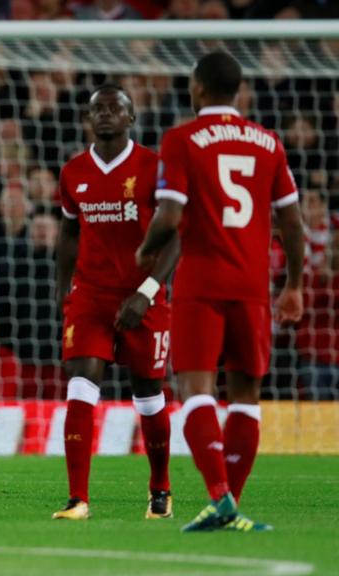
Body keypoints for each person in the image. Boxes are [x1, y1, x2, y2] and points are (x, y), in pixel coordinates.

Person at [136, 51, 305, 532]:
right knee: (247, 397)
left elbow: (169, 215)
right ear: (239, 92)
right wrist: (292, 284)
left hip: (202, 284)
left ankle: (219, 497)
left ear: (198, 88)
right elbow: (291, 221)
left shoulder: (182, 139)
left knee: (195, 390)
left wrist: (145, 251)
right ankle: (232, 504)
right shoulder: (268, 142)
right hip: (253, 286)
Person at [52, 85, 178, 522]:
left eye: (115, 108)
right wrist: (61, 289)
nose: (105, 114)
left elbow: (178, 234)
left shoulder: (154, 167)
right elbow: (69, 233)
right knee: (82, 381)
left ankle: (160, 488)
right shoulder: (73, 172)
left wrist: (146, 293)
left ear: (131, 117)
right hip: (90, 295)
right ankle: (77, 499)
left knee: (147, 394)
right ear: (89, 119)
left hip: (143, 295)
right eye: (97, 109)